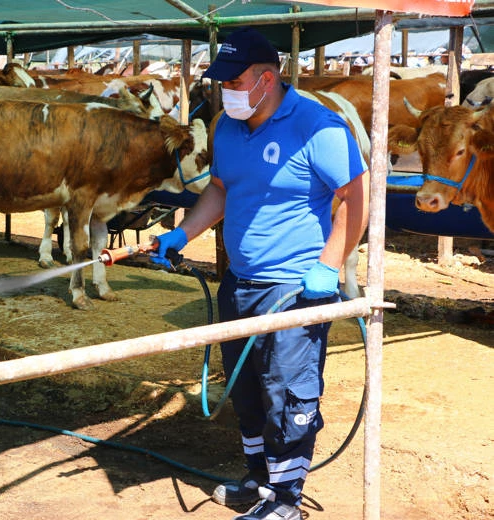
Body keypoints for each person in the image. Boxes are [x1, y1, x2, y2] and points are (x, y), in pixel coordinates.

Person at [153, 27, 369, 520]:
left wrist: (327, 266)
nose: (224, 90)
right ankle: (259, 478)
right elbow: (222, 189)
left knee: (287, 392)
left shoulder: (319, 128)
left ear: (266, 79)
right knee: (246, 388)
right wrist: (182, 234)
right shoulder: (228, 127)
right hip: (241, 284)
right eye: (221, 81)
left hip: (294, 288)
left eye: (233, 81)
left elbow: (358, 197)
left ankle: (287, 500)